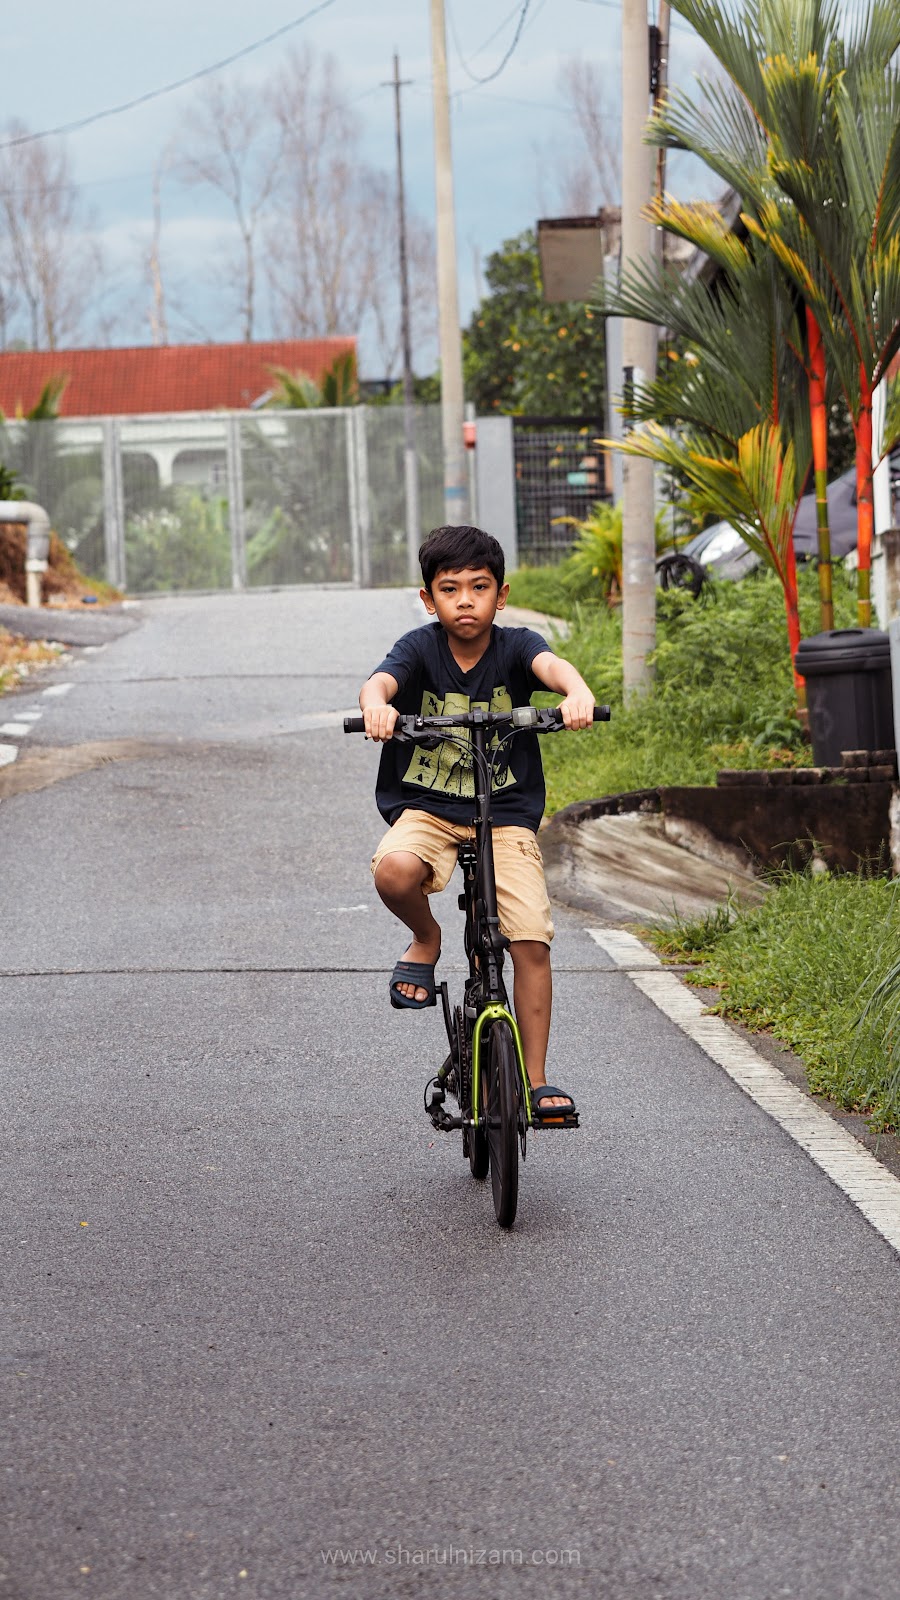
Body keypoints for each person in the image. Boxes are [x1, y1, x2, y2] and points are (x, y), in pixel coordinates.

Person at [359, 523, 595, 1116]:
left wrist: (576, 692)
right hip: (430, 810)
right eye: (450, 589)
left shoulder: (516, 647)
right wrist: (377, 707)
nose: (466, 601)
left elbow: (552, 666)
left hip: (505, 816)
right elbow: (381, 680)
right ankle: (426, 937)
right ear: (428, 599)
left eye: (479, 587)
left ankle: (536, 1080)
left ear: (502, 593)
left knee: (530, 943)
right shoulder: (419, 648)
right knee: (393, 871)